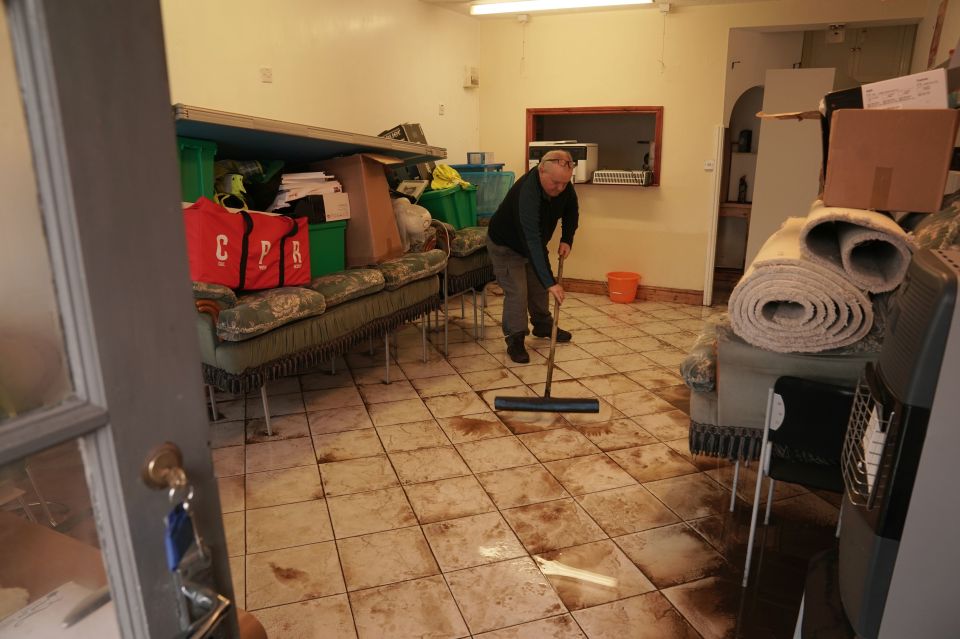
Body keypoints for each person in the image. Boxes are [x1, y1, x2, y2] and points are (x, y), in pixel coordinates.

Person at [486, 149, 580, 363]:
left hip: (531, 242)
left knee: (538, 285)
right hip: (505, 246)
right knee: (518, 292)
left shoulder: (563, 185)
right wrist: (552, 282)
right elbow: (532, 241)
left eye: (565, 183)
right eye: (555, 182)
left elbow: (571, 211)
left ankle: (543, 324)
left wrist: (567, 239)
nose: (560, 188)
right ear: (541, 170)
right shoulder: (527, 193)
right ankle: (515, 339)